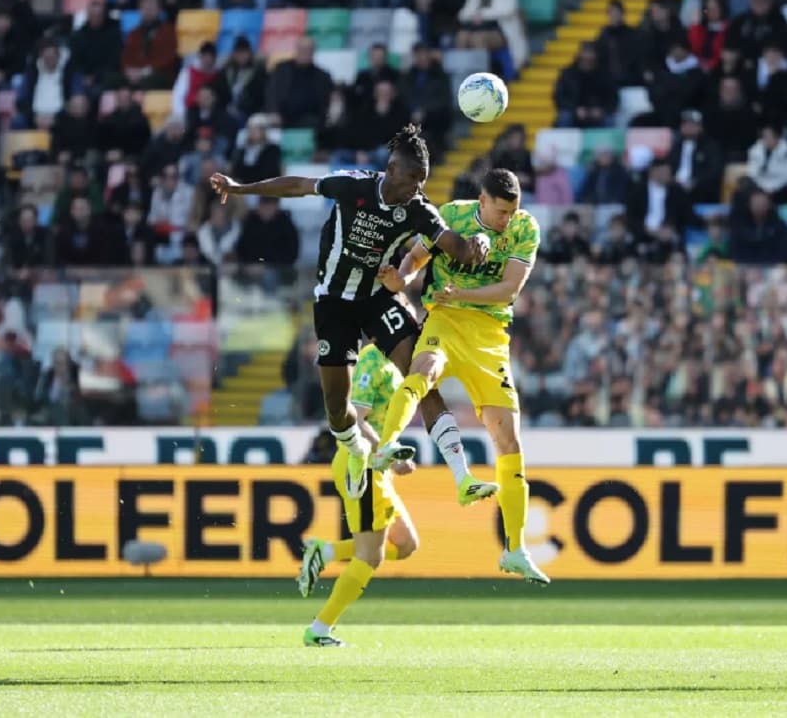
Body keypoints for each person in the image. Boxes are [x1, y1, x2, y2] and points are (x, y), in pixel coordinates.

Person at [209, 124, 490, 501]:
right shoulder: (353, 186)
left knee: (421, 376)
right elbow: (297, 186)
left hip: (377, 299)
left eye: (422, 182)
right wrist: (240, 188)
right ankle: (356, 448)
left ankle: (462, 476)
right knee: (337, 408)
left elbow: (453, 245)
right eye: (411, 180)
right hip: (333, 303)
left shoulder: (418, 210)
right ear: (391, 170)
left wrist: (478, 243)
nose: (417, 189)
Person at [373, 168, 549, 584]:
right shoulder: (453, 215)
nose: (508, 218)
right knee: (423, 371)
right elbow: (417, 254)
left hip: (489, 336)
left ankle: (516, 549)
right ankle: (387, 446)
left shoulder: (526, 228)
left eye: (513, 210)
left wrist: (463, 293)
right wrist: (405, 277)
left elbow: (509, 289)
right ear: (482, 201)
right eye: (502, 210)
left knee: (508, 438)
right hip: (446, 320)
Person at [297, 344, 420, 647]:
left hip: (377, 469)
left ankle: (326, 552)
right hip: (363, 465)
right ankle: (320, 628)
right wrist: (390, 454)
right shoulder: (372, 360)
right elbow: (358, 420)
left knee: (405, 543)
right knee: (370, 555)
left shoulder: (393, 362)